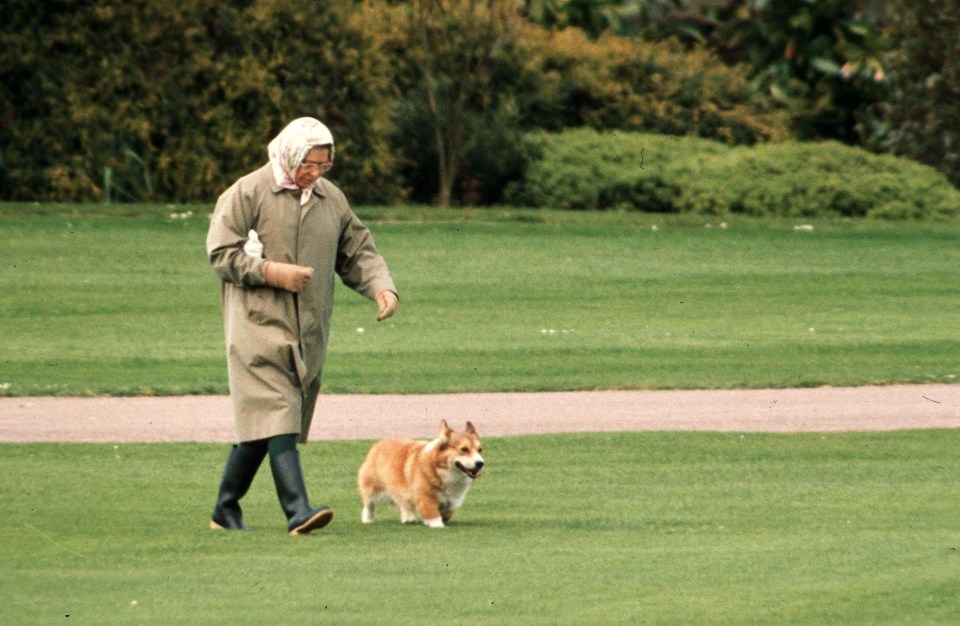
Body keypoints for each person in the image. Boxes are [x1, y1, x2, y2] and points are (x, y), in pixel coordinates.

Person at [205, 117, 399, 535]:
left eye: (324, 166)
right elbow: (221, 253)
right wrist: (273, 272)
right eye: (309, 164)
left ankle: (225, 508)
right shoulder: (247, 191)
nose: (315, 173)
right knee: (280, 411)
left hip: (308, 327)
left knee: (265, 424)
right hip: (256, 324)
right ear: (291, 154)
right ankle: (298, 510)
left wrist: (382, 288)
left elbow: (358, 251)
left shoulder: (330, 199)